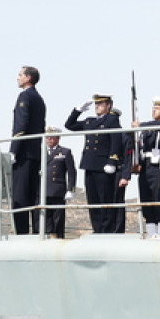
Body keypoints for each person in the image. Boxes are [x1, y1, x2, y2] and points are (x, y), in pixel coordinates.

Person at [65, 93, 124, 233]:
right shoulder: (89, 121)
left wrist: (112, 160)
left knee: (105, 200)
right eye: (96, 104)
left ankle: (106, 230)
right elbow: (69, 125)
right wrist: (77, 111)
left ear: (108, 106)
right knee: (93, 200)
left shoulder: (112, 120)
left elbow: (116, 141)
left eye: (101, 104)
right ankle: (97, 229)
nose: (97, 106)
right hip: (89, 164)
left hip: (103, 166)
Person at [11, 66, 46, 235]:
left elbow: (21, 125)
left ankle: (21, 233)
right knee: (33, 196)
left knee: (20, 196)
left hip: (24, 153)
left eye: (20, 75)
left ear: (28, 78)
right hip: (35, 153)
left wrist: (14, 151)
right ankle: (37, 231)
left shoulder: (25, 96)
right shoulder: (39, 98)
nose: (17, 78)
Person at [136, 97, 160, 238]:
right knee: (146, 198)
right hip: (145, 164)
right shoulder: (147, 129)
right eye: (153, 107)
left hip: (158, 164)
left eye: (158, 108)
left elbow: (159, 126)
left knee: (159, 196)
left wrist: (140, 125)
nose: (154, 110)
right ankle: (151, 232)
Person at [44, 127, 77, 238]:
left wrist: (70, 189)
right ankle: (48, 236)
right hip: (43, 190)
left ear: (58, 138)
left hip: (58, 190)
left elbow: (72, 172)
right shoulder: (41, 153)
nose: (49, 139)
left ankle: (57, 237)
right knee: (45, 218)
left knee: (57, 219)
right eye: (47, 137)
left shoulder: (65, 152)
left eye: (51, 137)